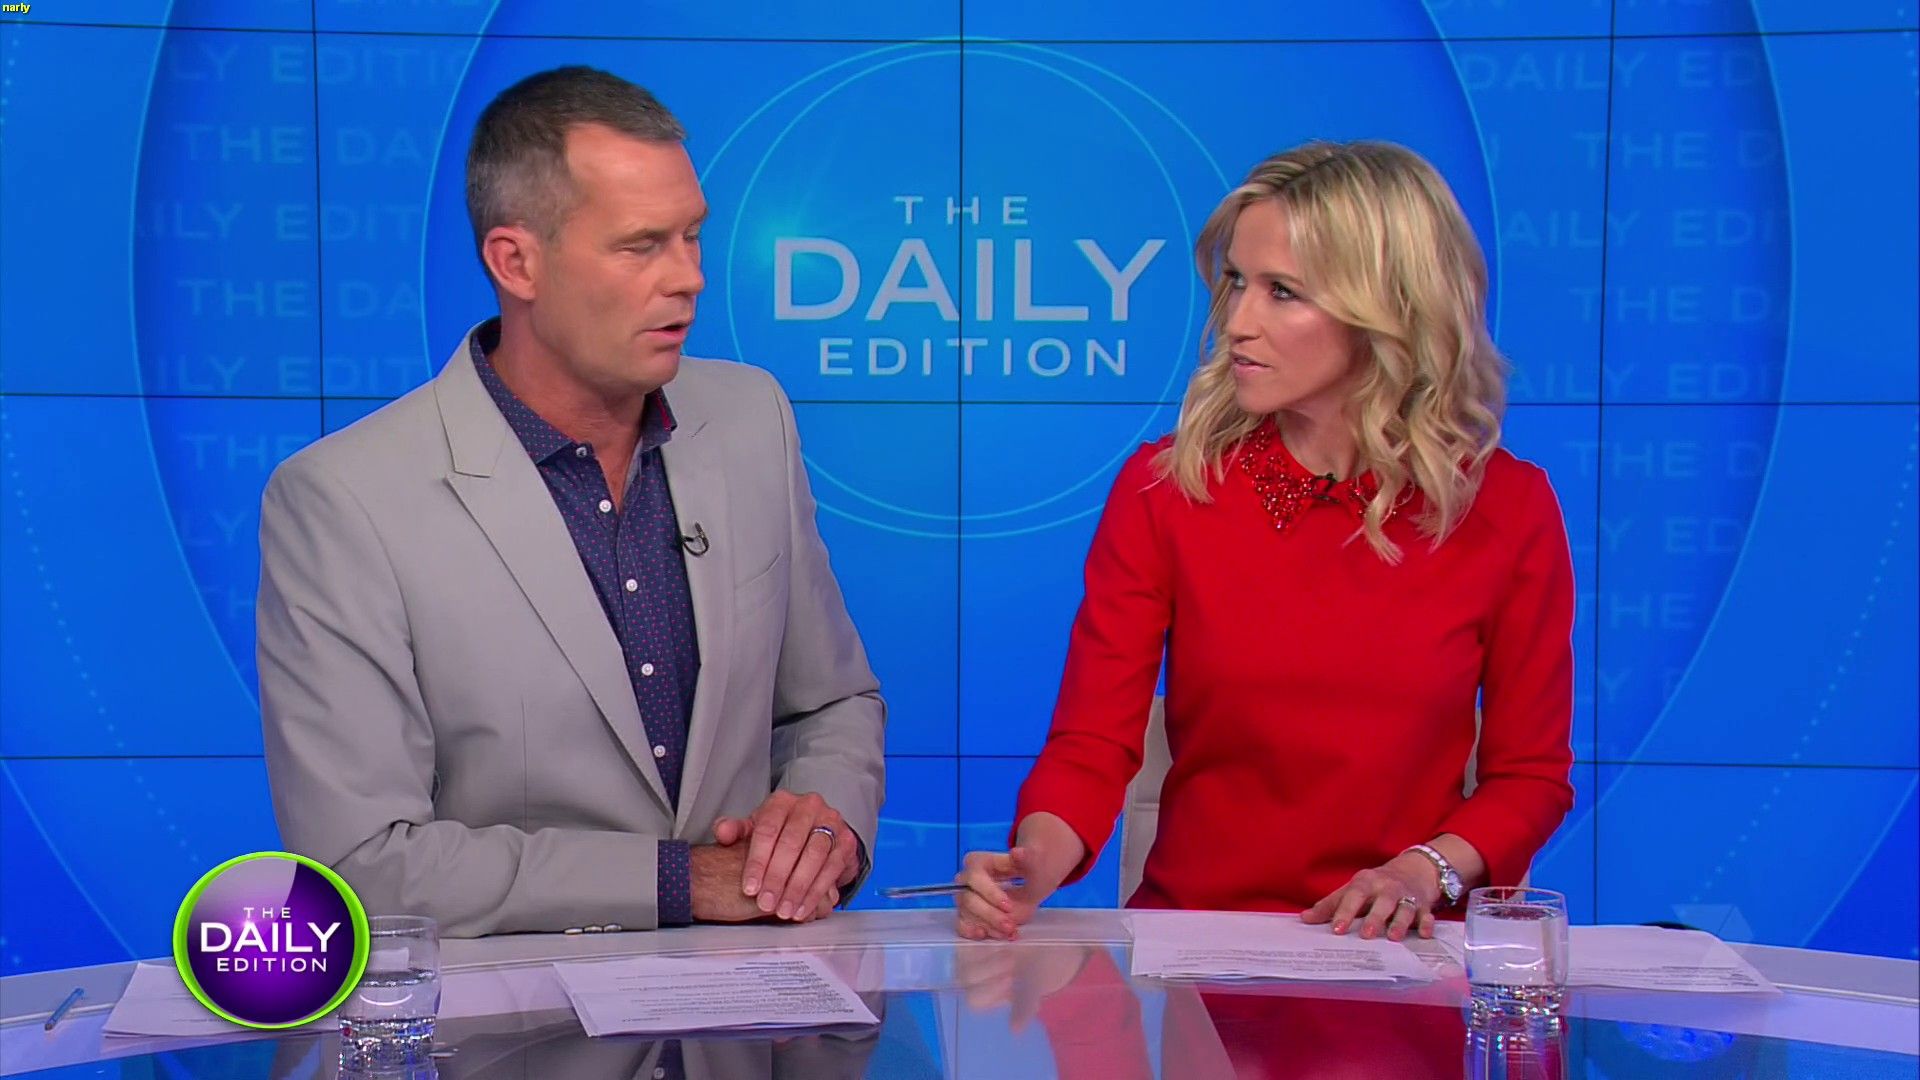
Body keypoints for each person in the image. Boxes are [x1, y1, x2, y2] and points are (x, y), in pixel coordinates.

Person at [258, 66, 885, 936]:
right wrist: (680, 882)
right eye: (641, 246)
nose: (689, 278)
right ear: (516, 262)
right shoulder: (345, 500)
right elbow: (362, 862)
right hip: (513, 1011)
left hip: (761, 998)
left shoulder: (752, 419)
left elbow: (830, 705)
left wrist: (823, 826)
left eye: (692, 236)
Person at [954, 140, 1574, 943]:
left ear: (1387, 308)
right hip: (1198, 951)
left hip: (1401, 956)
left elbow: (1529, 778)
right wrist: (1034, 860)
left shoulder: (1507, 510)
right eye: (1237, 283)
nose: (1238, 323)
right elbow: (1092, 745)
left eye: (1282, 292)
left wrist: (1423, 872)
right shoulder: (1168, 489)